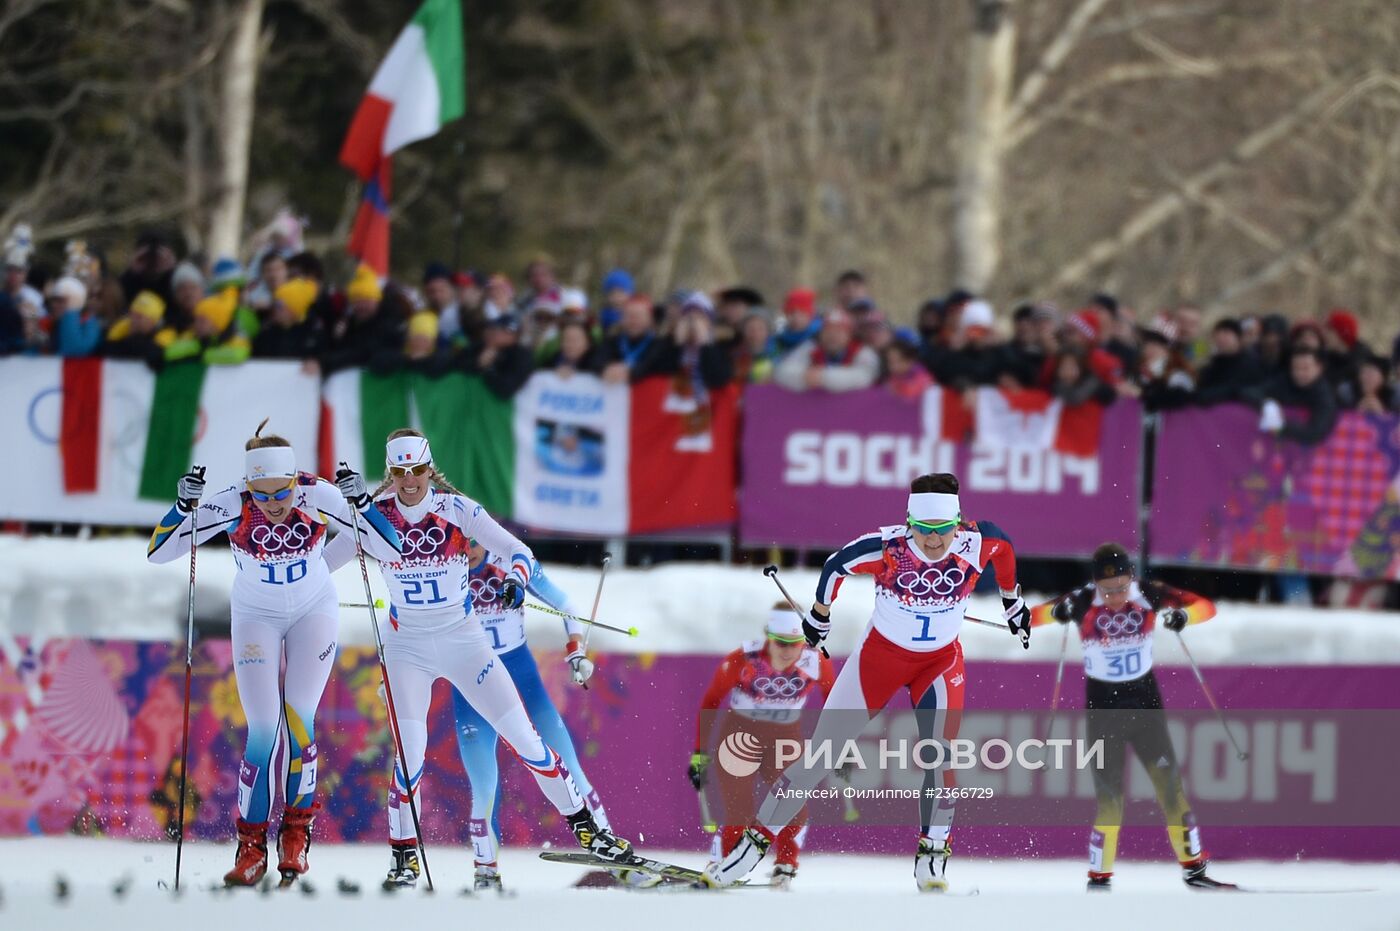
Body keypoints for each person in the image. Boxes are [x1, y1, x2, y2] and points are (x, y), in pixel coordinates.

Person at [320, 430, 639, 890]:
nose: (410, 481)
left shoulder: (458, 510)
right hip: (407, 648)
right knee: (409, 757)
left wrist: (514, 577)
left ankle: (591, 832)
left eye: (417, 471)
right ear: (390, 473)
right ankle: (404, 857)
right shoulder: (371, 518)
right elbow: (319, 569)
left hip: (464, 642)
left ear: (430, 469)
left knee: (528, 742)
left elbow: (518, 551)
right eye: (400, 472)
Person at [702, 472, 1032, 891]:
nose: (933, 542)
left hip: (940, 663)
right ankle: (751, 848)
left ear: (958, 522)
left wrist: (1012, 602)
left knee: (940, 756)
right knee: (819, 756)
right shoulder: (887, 548)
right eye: (924, 530)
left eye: (943, 530)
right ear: (909, 522)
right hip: (879, 662)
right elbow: (835, 565)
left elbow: (1005, 553)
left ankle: (932, 859)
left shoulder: (980, 542)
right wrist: (820, 614)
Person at [146, 421, 401, 886]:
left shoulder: (317, 494)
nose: (273, 506)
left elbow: (391, 546)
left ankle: (295, 837)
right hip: (255, 618)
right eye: (261, 497)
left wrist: (360, 503)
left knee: (299, 721)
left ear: (293, 479)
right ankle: (250, 847)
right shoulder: (232, 500)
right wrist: (183, 507)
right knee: (263, 730)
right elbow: (159, 553)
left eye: (280, 494)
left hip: (313, 613)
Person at [451, 537, 642, 890]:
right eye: (461, 544)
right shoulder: (445, 570)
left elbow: (566, 604)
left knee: (569, 766)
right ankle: (485, 872)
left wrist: (575, 653)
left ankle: (615, 857)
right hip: (471, 686)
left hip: (521, 677)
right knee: (484, 786)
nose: (468, 552)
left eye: (475, 543)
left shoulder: (512, 563)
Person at [1039, 542, 1230, 891]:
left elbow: (1206, 607)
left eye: (1122, 587)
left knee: (1171, 790)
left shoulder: (1149, 594)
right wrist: (1057, 613)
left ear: (1131, 577)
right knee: (1110, 802)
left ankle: (1195, 870)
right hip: (1103, 713)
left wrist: (1184, 616)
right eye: (1108, 590)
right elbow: (1034, 616)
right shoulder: (1082, 599)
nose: (1115, 596)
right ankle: (1099, 879)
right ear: (1096, 584)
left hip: (1145, 706)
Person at [688, 604, 835, 889]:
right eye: (781, 642)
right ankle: (722, 864)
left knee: (793, 803)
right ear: (768, 637)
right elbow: (711, 701)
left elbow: (836, 702)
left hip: (785, 738)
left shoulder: (816, 660)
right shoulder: (743, 659)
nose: (788, 651)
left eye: (796, 643)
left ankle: (785, 865)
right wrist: (700, 752)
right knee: (739, 810)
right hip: (740, 734)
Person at [773, 308, 880, 392]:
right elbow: (783, 370)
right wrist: (803, 377)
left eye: (839, 331)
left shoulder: (862, 351)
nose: (832, 336)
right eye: (828, 331)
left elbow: (865, 377)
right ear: (821, 334)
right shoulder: (811, 348)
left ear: (849, 335)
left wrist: (824, 377)